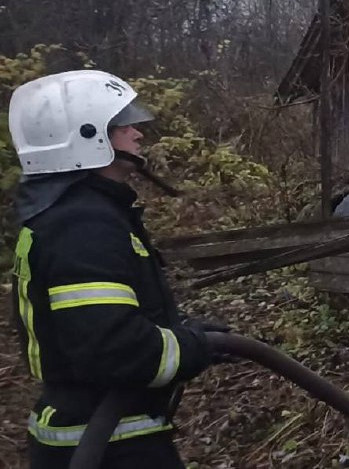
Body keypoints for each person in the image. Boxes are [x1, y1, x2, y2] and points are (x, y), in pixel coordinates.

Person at [8, 70, 218, 468]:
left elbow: (98, 324)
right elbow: (116, 351)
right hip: (111, 447)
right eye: (122, 124)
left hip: (98, 435)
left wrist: (188, 331)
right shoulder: (83, 226)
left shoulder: (74, 215)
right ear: (88, 136)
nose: (137, 132)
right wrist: (194, 348)